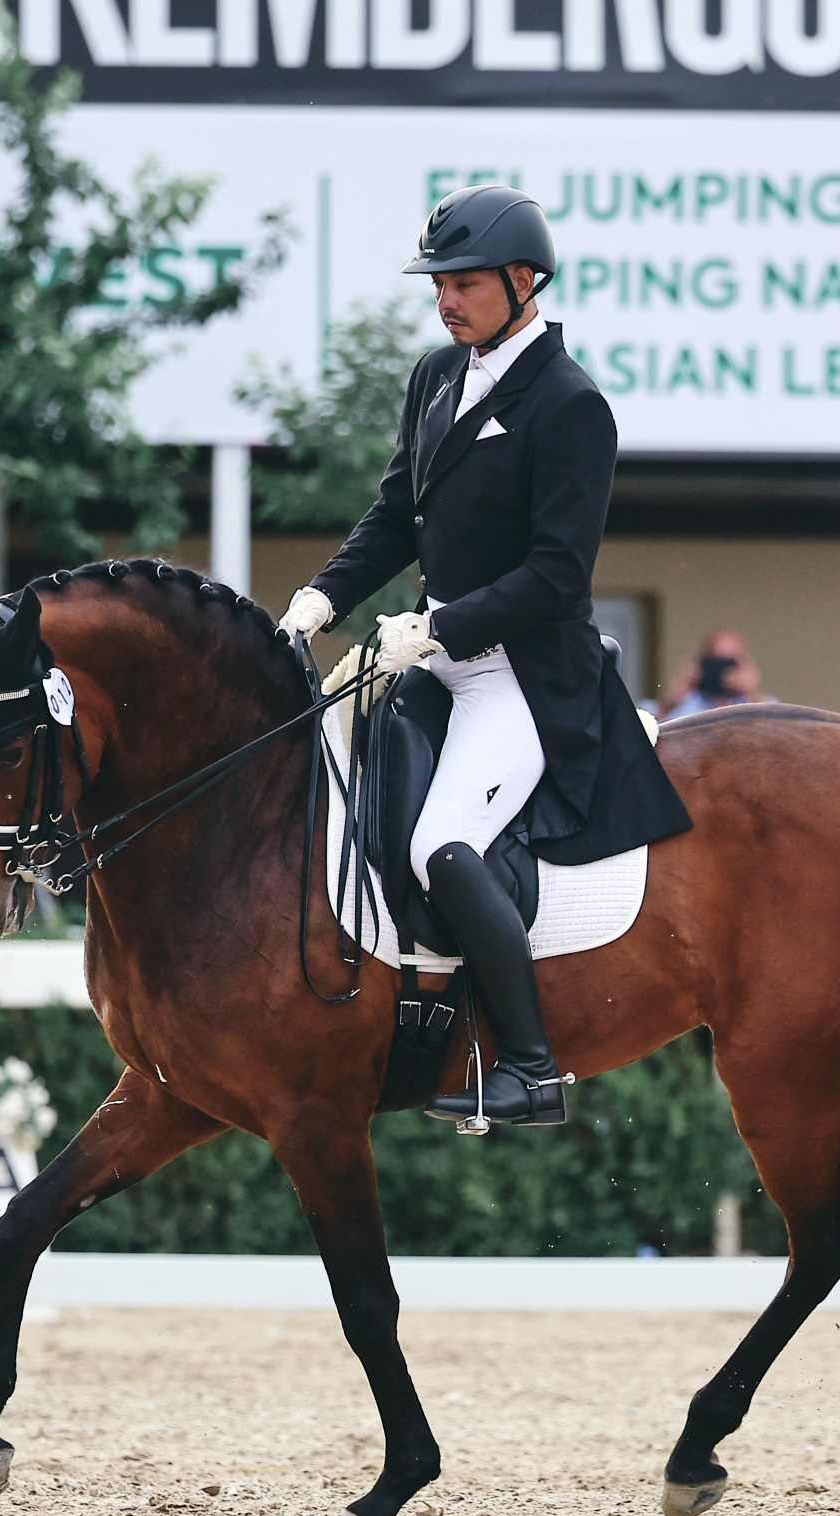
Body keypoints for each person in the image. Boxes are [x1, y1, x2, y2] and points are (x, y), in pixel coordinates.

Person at [276, 184, 693, 1129]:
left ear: (521, 279)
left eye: (463, 283)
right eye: (438, 284)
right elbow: (396, 516)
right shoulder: (435, 375)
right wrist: (326, 595)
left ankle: (532, 1068)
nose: (446, 300)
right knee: (346, 795)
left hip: (524, 675)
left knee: (440, 843)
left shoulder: (571, 403)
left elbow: (555, 575)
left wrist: (440, 626)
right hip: (437, 659)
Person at [662, 628, 774, 719]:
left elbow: (774, 733)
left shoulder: (762, 705)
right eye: (716, 660)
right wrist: (672, 701)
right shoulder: (685, 703)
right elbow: (651, 734)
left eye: (730, 661)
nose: (723, 670)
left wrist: (753, 694)